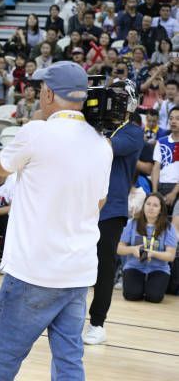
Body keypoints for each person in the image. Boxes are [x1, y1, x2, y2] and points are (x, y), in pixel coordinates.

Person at [0, 62, 113, 380]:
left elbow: (0, 168)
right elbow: (99, 202)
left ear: (50, 93)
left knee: (4, 360)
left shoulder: (36, 132)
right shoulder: (102, 144)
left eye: (42, 88)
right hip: (77, 272)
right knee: (69, 362)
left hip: (33, 271)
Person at [83, 106, 143, 346]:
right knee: (76, 262)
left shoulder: (133, 132)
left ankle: (97, 323)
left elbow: (108, 147)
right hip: (83, 204)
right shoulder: (94, 127)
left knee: (104, 267)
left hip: (112, 208)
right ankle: (71, 317)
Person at [117, 193, 177, 303]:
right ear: (143, 206)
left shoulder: (168, 227)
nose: (151, 207)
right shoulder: (132, 223)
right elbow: (119, 248)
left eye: (155, 205)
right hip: (135, 266)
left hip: (158, 268)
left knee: (154, 297)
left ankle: (149, 286)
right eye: (148, 204)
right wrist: (132, 249)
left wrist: (152, 253)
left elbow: (171, 256)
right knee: (131, 295)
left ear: (161, 209)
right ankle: (139, 286)